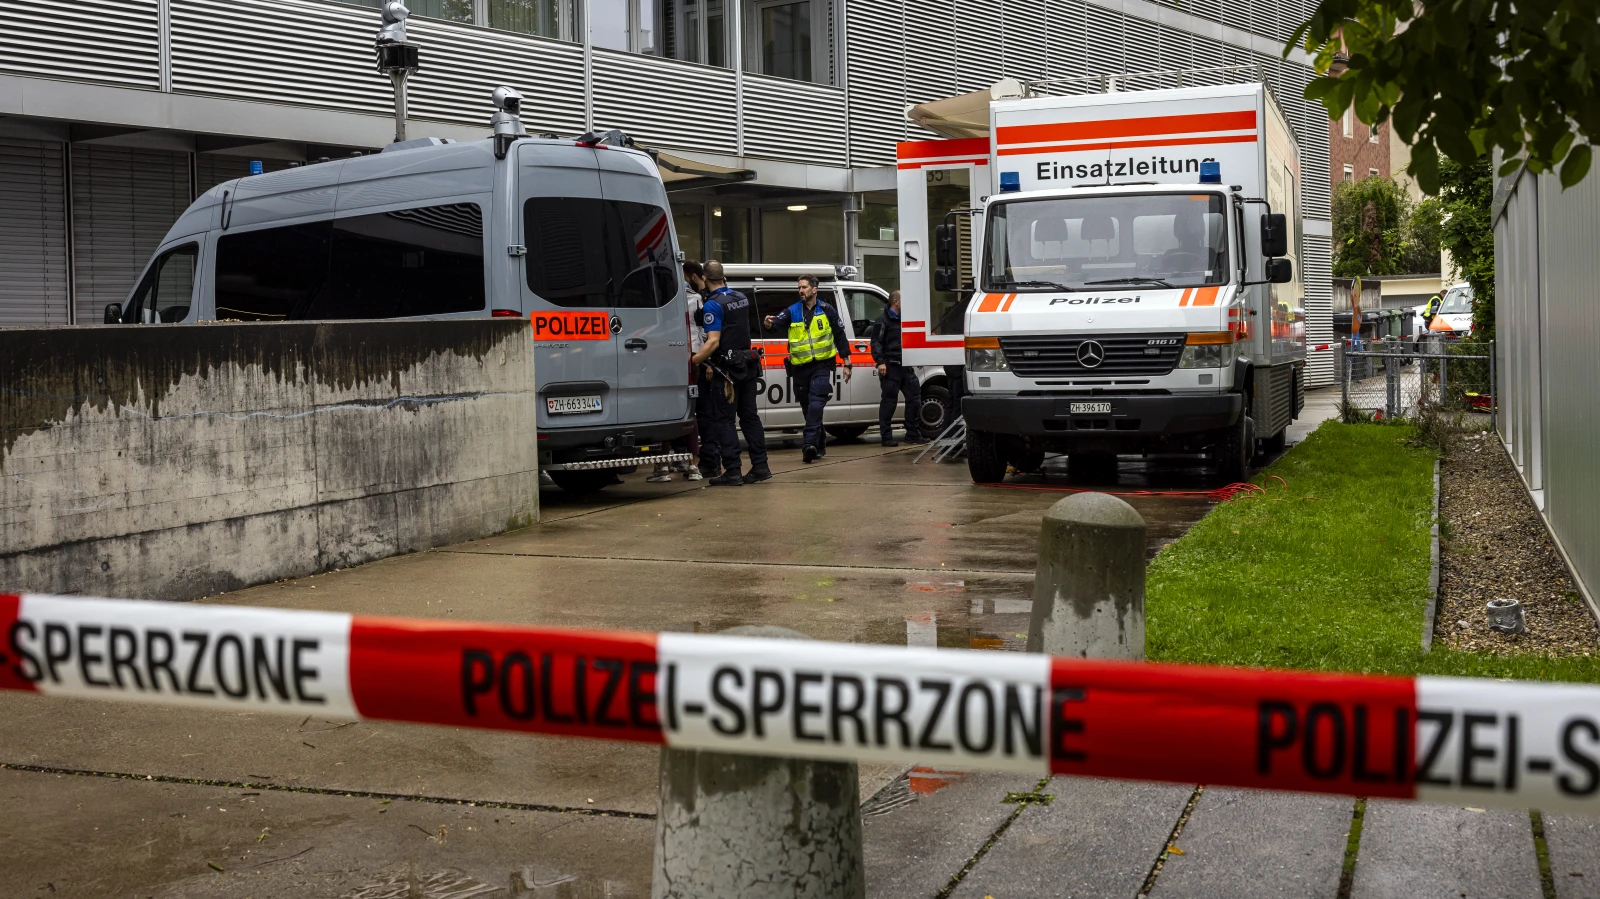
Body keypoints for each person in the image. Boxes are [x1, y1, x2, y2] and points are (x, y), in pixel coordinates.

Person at [692, 261, 772, 486]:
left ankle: (733, 471)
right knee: (749, 417)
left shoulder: (713, 305)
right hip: (747, 364)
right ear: (723, 277)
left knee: (725, 420)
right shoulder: (741, 297)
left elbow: (713, 342)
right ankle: (760, 466)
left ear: (704, 279)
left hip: (726, 371)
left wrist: (694, 360)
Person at [763, 274, 853, 463]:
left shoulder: (827, 310)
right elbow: (775, 324)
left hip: (822, 366)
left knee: (816, 403)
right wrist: (769, 324)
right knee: (808, 408)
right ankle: (818, 446)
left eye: (804, 287)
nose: (801, 291)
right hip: (799, 368)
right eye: (799, 288)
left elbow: (840, 336)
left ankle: (808, 444)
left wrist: (847, 363)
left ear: (814, 289)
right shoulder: (792, 311)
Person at [650, 262, 711, 483]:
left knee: (664, 409)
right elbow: (703, 331)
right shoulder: (696, 297)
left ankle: (661, 466)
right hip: (690, 357)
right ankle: (693, 465)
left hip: (665, 356)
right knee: (688, 410)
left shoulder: (661, 296)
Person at [870, 289, 927, 447]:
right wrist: (880, 361)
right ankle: (886, 437)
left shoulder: (905, 320)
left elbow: (911, 340)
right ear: (896, 302)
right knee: (889, 402)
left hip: (906, 366)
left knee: (915, 399)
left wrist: (917, 357)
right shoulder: (882, 320)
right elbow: (876, 343)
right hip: (890, 367)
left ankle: (913, 434)